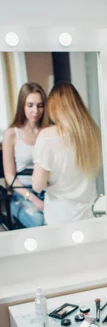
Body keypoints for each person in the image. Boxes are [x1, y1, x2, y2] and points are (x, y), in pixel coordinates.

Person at [32, 81, 102, 225]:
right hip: (88, 215)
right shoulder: (93, 133)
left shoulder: (47, 136)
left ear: (53, 107)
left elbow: (37, 185)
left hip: (59, 215)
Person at [2, 82, 47, 227]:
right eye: (30, 105)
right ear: (22, 106)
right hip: (22, 194)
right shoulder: (12, 134)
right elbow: (10, 176)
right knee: (40, 221)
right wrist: (34, 199)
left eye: (40, 105)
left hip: (48, 190)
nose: (36, 111)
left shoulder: (49, 132)